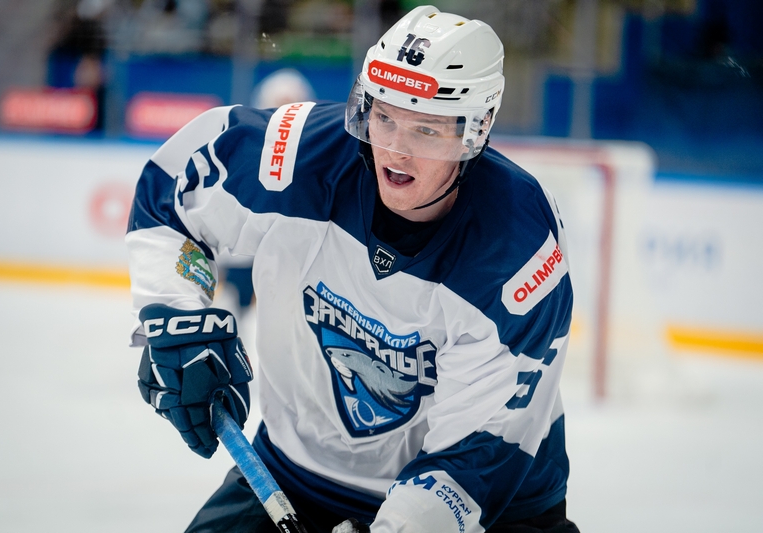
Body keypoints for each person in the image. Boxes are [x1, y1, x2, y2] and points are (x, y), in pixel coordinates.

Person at [126, 5, 579, 532]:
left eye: (426, 129)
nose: (395, 151)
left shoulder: (519, 251)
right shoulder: (300, 157)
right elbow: (171, 195)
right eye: (384, 118)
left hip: (489, 508)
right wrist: (175, 313)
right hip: (292, 475)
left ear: (475, 130)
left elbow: (475, 457)